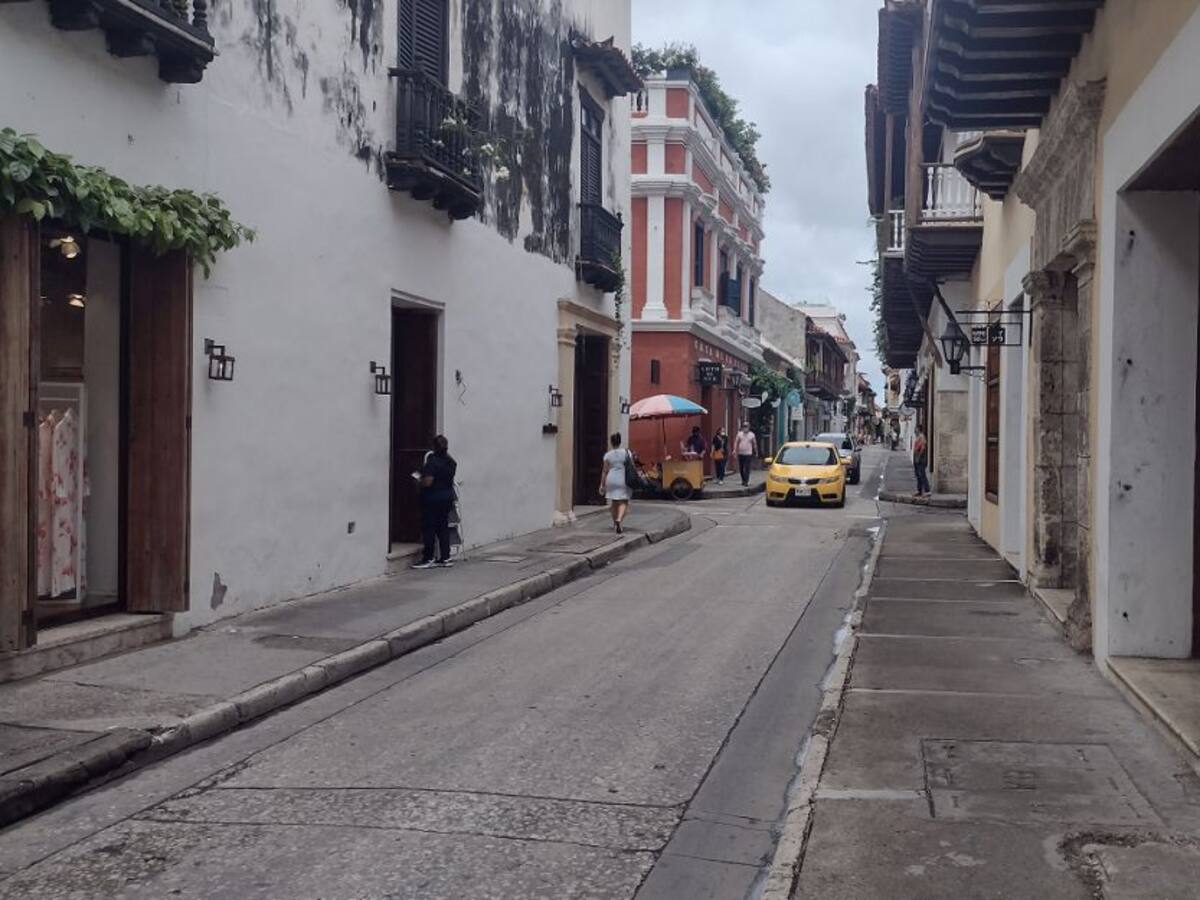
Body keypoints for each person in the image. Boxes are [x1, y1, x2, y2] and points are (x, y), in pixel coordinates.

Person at [412, 435, 458, 570]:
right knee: (443, 527)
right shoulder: (451, 462)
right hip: (447, 498)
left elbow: (428, 482)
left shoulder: (433, 462)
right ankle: (445, 557)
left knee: (429, 528)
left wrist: (418, 481)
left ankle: (428, 558)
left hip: (432, 499)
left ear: (434, 447)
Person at [599, 432, 633, 533]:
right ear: (620, 442)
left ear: (611, 442)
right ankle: (619, 520)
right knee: (624, 501)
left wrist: (602, 484)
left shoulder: (608, 455)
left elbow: (605, 471)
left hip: (611, 479)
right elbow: (631, 466)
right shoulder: (627, 453)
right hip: (623, 479)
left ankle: (615, 524)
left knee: (614, 502)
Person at [733, 421, 758, 487]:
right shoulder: (739, 434)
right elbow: (736, 442)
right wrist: (735, 450)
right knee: (741, 467)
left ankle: (746, 481)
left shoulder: (752, 435)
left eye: (746, 426)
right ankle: (743, 479)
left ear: (749, 427)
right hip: (741, 453)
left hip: (748, 453)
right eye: (744, 426)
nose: (745, 428)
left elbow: (754, 443)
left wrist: (756, 451)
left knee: (747, 467)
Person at [913, 425, 931, 497]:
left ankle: (927, 490)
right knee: (918, 475)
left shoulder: (921, 437)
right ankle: (919, 490)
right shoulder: (918, 437)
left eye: (916, 429)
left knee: (922, 474)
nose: (915, 430)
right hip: (917, 458)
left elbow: (922, 448)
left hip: (920, 459)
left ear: (918, 429)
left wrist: (919, 457)